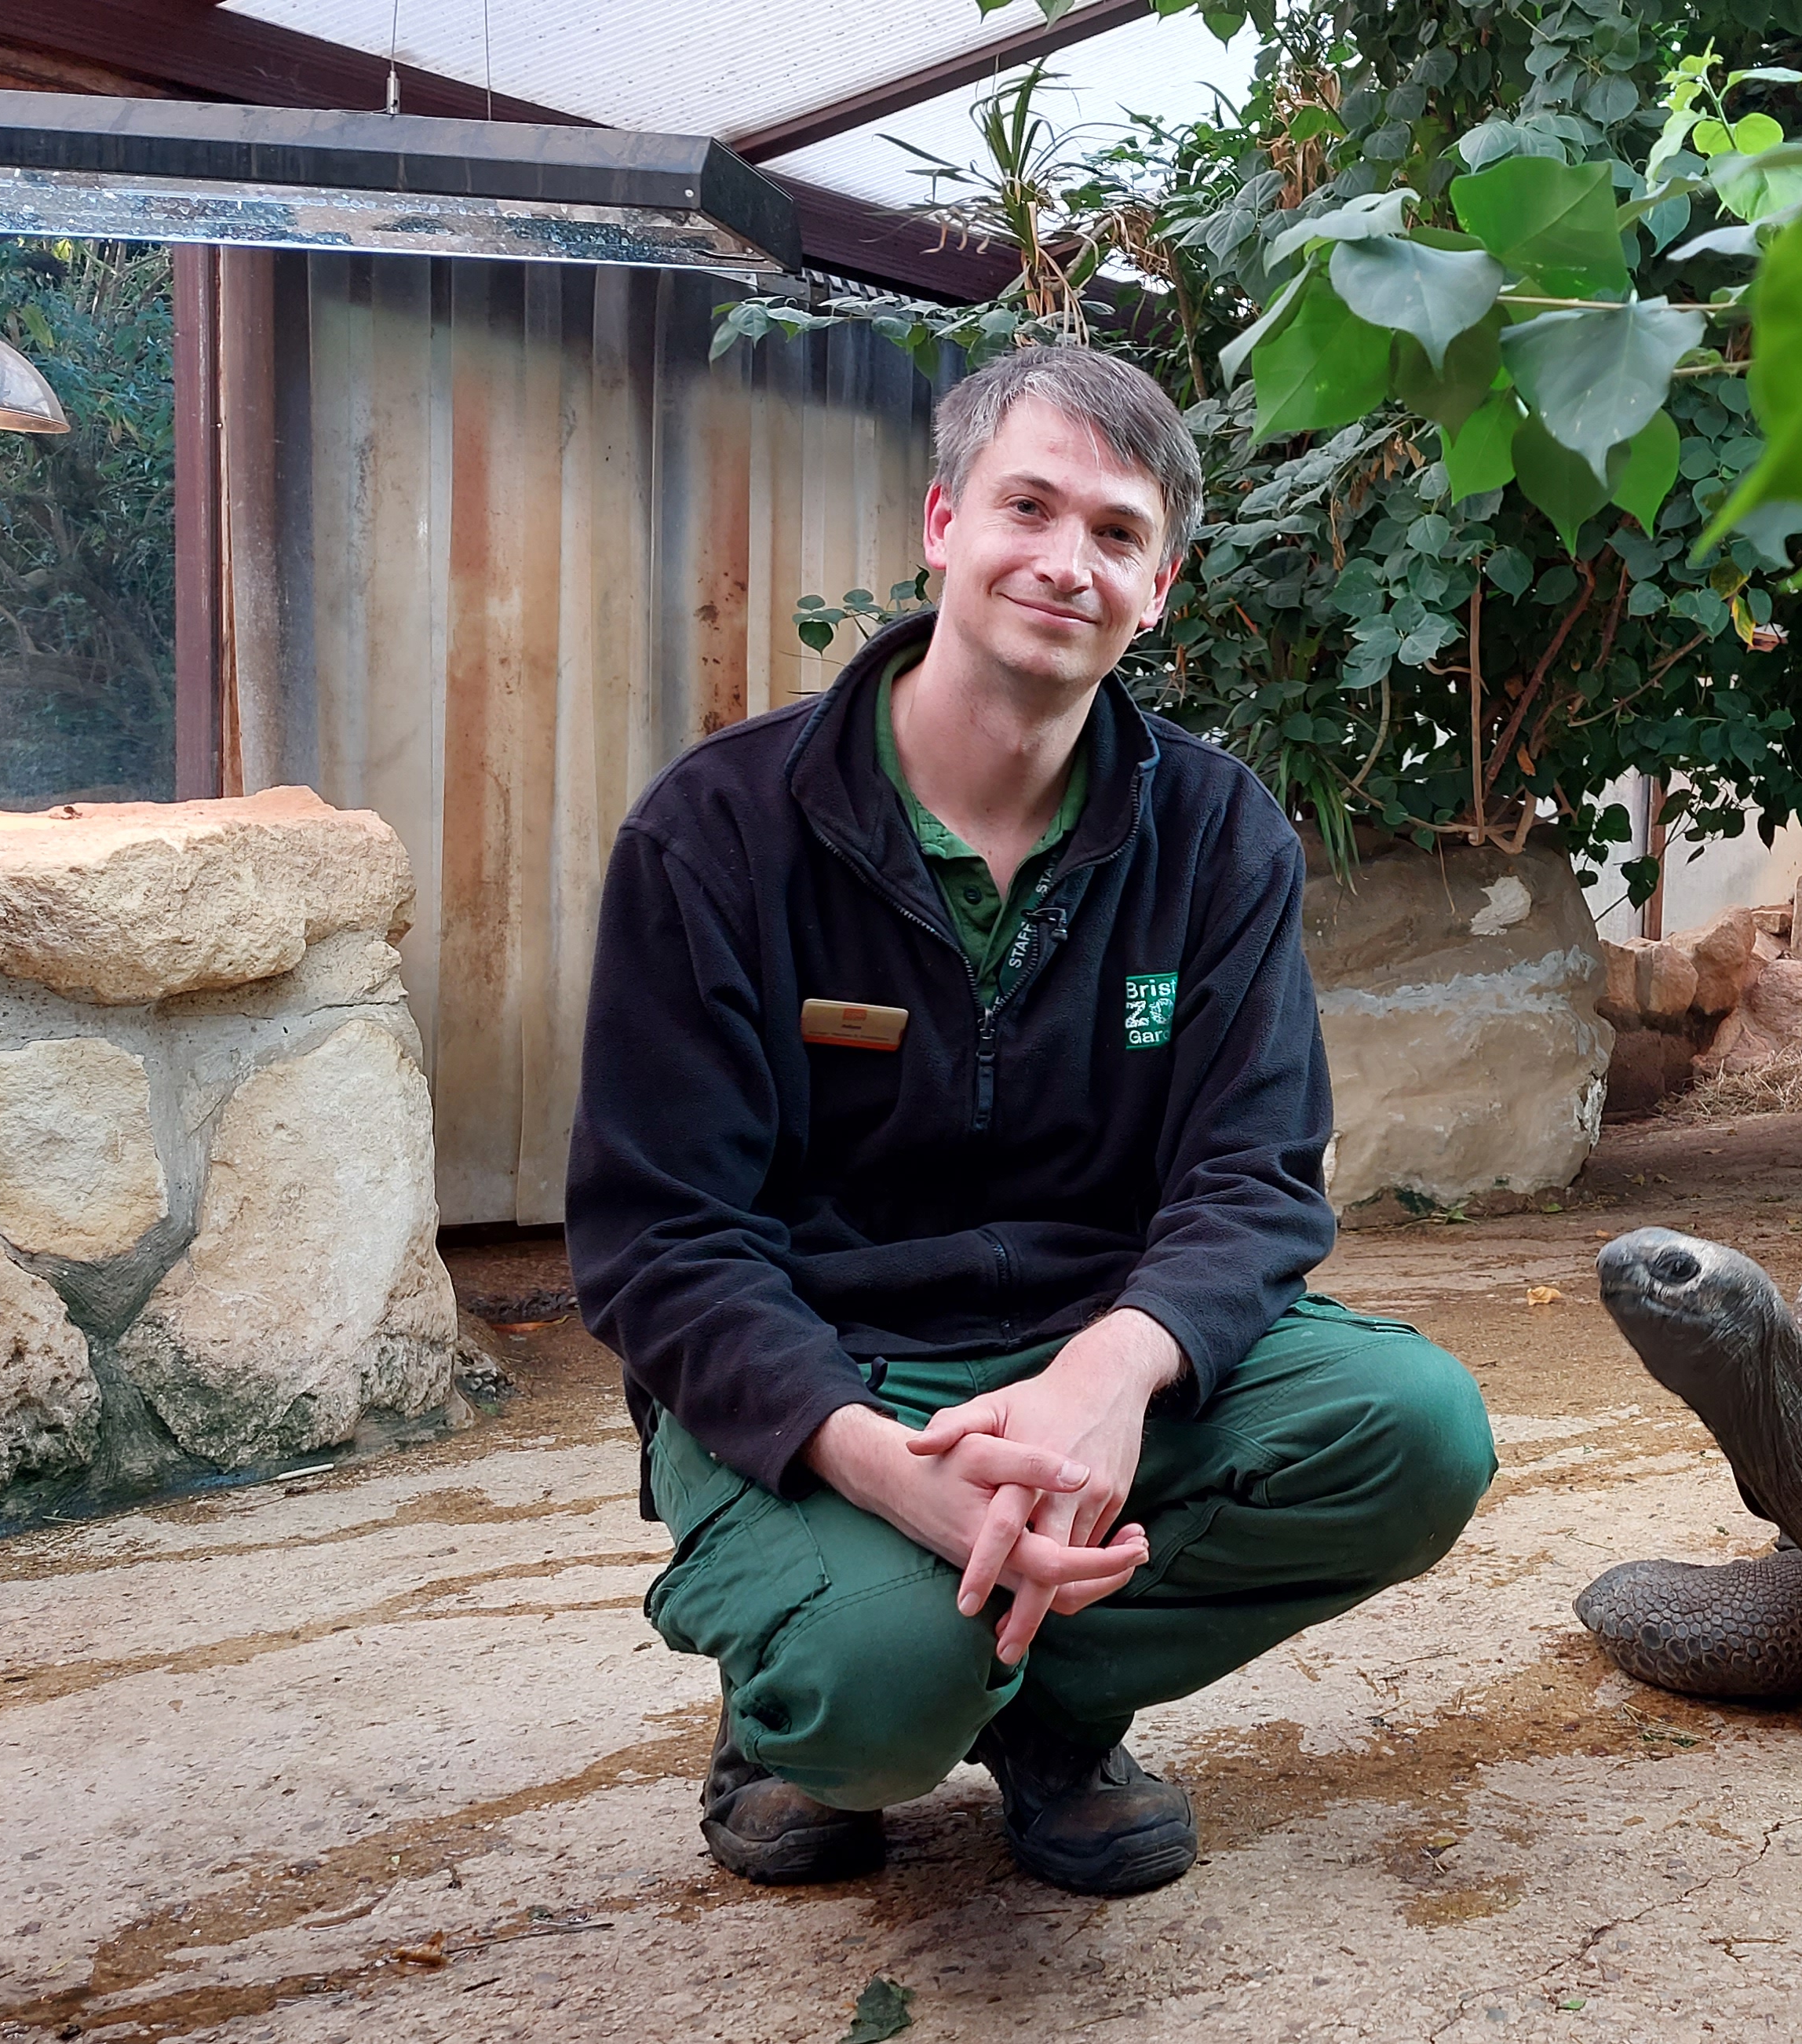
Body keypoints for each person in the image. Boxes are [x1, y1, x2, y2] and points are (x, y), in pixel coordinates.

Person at [566, 345, 1496, 1898]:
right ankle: (802, 1710)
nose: (1066, 563)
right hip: (834, 1374)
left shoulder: (1213, 836)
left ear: (1161, 586)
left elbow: (1253, 1177)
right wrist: (875, 1463)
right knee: (873, 1707)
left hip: (1086, 1343)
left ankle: (1054, 1713)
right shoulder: (715, 833)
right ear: (941, 524)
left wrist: (1112, 1373)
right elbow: (660, 1240)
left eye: (1117, 533)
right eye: (1027, 507)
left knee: (1415, 1433)